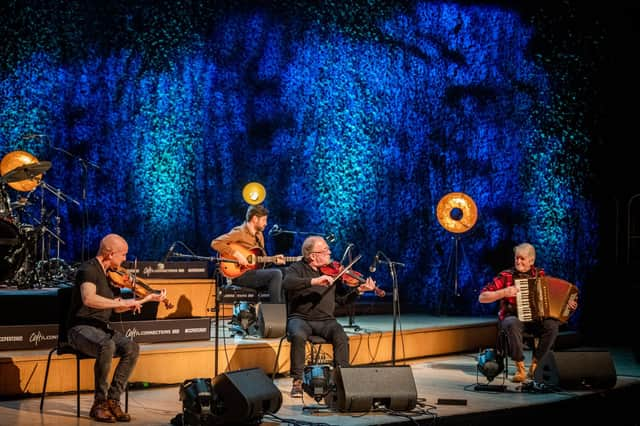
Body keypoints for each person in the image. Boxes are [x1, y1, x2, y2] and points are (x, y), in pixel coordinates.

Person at [67, 234, 167, 422]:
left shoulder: (112, 276)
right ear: (110, 253)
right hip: (79, 329)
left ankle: (113, 400)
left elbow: (117, 306)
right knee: (107, 345)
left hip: (100, 328)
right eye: (122, 255)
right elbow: (89, 299)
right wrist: (120, 303)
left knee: (132, 348)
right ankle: (99, 403)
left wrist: (144, 299)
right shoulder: (88, 270)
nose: (125, 260)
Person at [283, 235, 376, 397]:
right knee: (298, 335)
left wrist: (359, 291)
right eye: (325, 250)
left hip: (325, 320)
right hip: (300, 318)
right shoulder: (296, 268)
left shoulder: (333, 272)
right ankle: (297, 382)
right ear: (313, 256)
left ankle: (342, 379)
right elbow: (287, 283)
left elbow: (341, 300)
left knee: (341, 336)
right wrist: (315, 281)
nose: (329, 252)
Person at [478, 242, 578, 383]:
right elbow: (482, 297)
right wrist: (504, 292)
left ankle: (535, 365)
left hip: (536, 320)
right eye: (516, 258)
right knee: (512, 323)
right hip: (513, 317)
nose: (518, 261)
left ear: (531, 261)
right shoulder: (506, 276)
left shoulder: (540, 275)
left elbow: (554, 300)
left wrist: (568, 305)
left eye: (522, 259)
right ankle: (520, 368)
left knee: (552, 326)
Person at [211, 204, 285, 303]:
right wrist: (237, 254)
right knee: (276, 273)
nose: (266, 223)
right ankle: (276, 314)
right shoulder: (239, 232)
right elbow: (216, 243)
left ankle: (284, 314)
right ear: (255, 219)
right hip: (240, 275)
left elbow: (261, 262)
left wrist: (273, 260)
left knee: (286, 271)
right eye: (264, 220)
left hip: (254, 272)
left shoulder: (259, 235)